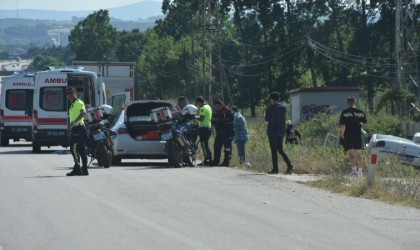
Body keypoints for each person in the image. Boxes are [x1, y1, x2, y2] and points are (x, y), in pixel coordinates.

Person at [265, 92, 294, 174]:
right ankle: (289, 165)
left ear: (272, 99)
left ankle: (275, 169)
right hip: (281, 131)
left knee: (274, 150)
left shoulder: (270, 108)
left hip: (272, 131)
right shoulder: (283, 107)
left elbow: (267, 119)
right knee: (280, 150)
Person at [339, 96, 367, 177]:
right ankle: (360, 171)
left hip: (348, 134)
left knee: (351, 152)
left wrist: (342, 134)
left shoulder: (345, 112)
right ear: (355, 102)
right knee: (358, 153)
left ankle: (354, 170)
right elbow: (364, 122)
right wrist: (359, 125)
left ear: (348, 103)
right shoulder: (360, 112)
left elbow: (342, 126)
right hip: (358, 134)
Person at [66, 87, 89, 176]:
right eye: (68, 93)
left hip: (79, 128)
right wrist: (71, 129)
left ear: (75, 93)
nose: (70, 95)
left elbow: (83, 113)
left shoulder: (78, 102)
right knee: (81, 149)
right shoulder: (72, 104)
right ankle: (84, 169)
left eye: (71, 93)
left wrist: (75, 122)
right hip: (76, 129)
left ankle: (77, 168)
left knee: (74, 149)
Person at [210, 100, 234, 167]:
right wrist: (212, 121)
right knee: (216, 146)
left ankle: (226, 162)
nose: (216, 108)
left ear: (222, 105)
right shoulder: (216, 112)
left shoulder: (228, 111)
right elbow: (214, 121)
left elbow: (231, 119)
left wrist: (219, 120)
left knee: (227, 148)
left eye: (217, 107)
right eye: (215, 107)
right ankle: (215, 161)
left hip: (228, 132)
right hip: (219, 132)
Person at [195, 96, 213, 166]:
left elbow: (201, 119)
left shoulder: (202, 108)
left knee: (204, 145)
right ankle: (209, 159)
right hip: (208, 127)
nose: (196, 104)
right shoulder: (208, 106)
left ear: (199, 102)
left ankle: (207, 160)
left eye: (197, 103)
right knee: (205, 144)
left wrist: (194, 116)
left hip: (203, 128)